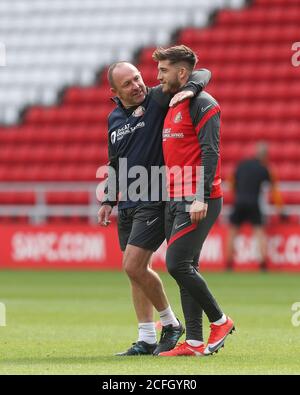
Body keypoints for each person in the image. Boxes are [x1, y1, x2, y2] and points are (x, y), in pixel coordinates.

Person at [97, 60, 211, 355]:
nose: (136, 85)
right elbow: (114, 162)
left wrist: (191, 90)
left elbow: (201, 73)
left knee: (133, 265)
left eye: (137, 78)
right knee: (136, 272)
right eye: (128, 84)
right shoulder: (113, 119)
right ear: (114, 91)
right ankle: (147, 337)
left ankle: (171, 323)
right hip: (129, 202)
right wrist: (109, 199)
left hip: (155, 197)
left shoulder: (157, 98)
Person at [152, 45, 234, 356]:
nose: (158, 76)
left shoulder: (203, 103)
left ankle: (221, 320)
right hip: (175, 197)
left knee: (176, 263)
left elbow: (211, 153)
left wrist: (199, 197)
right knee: (186, 266)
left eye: (163, 70)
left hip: (199, 199)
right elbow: (202, 73)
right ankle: (196, 343)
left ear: (181, 73)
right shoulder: (171, 100)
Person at [226, 141, 284, 270]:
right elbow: (274, 189)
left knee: (233, 232)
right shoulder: (265, 168)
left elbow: (230, 182)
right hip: (253, 203)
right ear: (265, 156)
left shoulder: (242, 165)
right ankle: (263, 264)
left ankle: (228, 263)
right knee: (259, 232)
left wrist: (237, 194)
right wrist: (280, 208)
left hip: (239, 201)